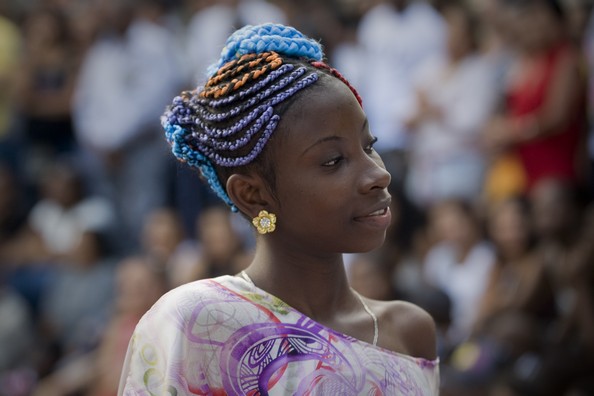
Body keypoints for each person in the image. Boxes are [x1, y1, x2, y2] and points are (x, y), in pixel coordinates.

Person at [119, 23, 439, 395]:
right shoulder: (197, 322)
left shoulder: (411, 331)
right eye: (334, 160)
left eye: (369, 146)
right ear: (253, 196)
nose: (378, 174)